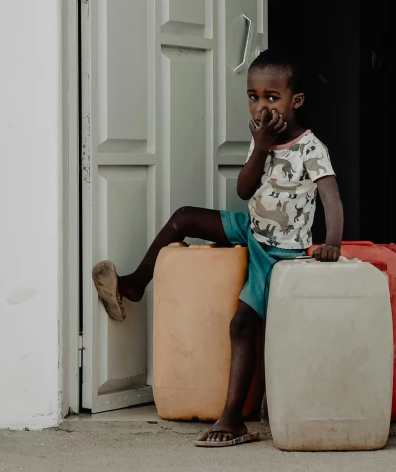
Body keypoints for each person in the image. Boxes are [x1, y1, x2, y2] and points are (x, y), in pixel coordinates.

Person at [91, 48, 344, 447]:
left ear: (295, 102)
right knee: (184, 218)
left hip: (281, 250)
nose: (261, 106)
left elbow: (331, 198)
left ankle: (233, 419)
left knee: (242, 326)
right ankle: (136, 283)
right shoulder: (261, 140)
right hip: (252, 227)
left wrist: (331, 244)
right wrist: (260, 146)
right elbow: (245, 190)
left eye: (272, 98)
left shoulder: (311, 148)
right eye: (253, 96)